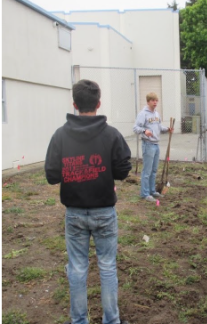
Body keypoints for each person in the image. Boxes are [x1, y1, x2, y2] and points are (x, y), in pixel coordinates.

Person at [45, 79, 132, 324]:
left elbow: (52, 175)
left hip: (74, 214)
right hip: (104, 211)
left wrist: (73, 173)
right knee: (107, 266)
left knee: (77, 268)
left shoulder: (60, 135)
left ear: (74, 104)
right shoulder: (111, 135)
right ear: (99, 103)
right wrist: (104, 172)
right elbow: (123, 169)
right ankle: (111, 320)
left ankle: (79, 320)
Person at [133, 92, 173, 202]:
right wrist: (145, 131)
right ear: (148, 101)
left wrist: (167, 129)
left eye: (156, 100)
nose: (155, 102)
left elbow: (159, 126)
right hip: (148, 144)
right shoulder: (143, 114)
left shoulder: (156, 114)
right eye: (153, 100)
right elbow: (136, 128)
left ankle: (152, 190)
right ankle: (144, 194)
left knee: (154, 170)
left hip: (156, 144)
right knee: (147, 171)